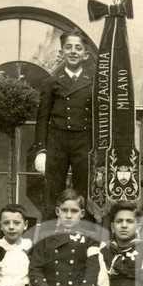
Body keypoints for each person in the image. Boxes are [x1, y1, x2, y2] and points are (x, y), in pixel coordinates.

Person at [32, 30, 93, 215]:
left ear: (85, 54)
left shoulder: (94, 83)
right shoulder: (51, 83)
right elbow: (42, 119)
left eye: (78, 48)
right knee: (53, 191)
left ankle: (85, 230)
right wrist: (41, 150)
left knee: (85, 191)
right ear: (62, 52)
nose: (73, 51)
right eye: (68, 47)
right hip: (57, 142)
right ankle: (51, 230)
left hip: (84, 142)